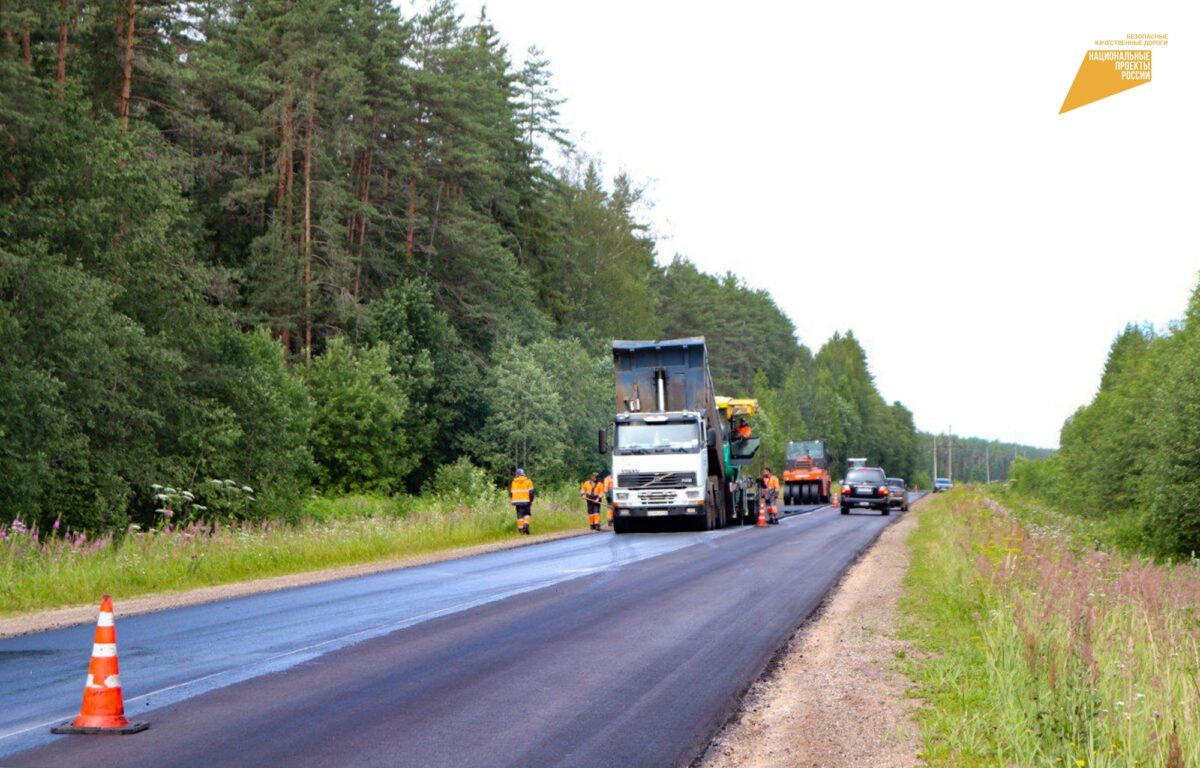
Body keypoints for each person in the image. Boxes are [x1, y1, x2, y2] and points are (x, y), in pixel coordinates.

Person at [510, 469, 534, 534]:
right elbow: (531, 492)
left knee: (520, 516)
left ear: (517, 474)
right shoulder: (528, 481)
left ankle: (521, 530)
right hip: (526, 501)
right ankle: (526, 526)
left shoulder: (513, 482)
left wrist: (512, 500)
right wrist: (531, 500)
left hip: (517, 502)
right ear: (523, 474)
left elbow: (511, 493)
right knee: (527, 514)